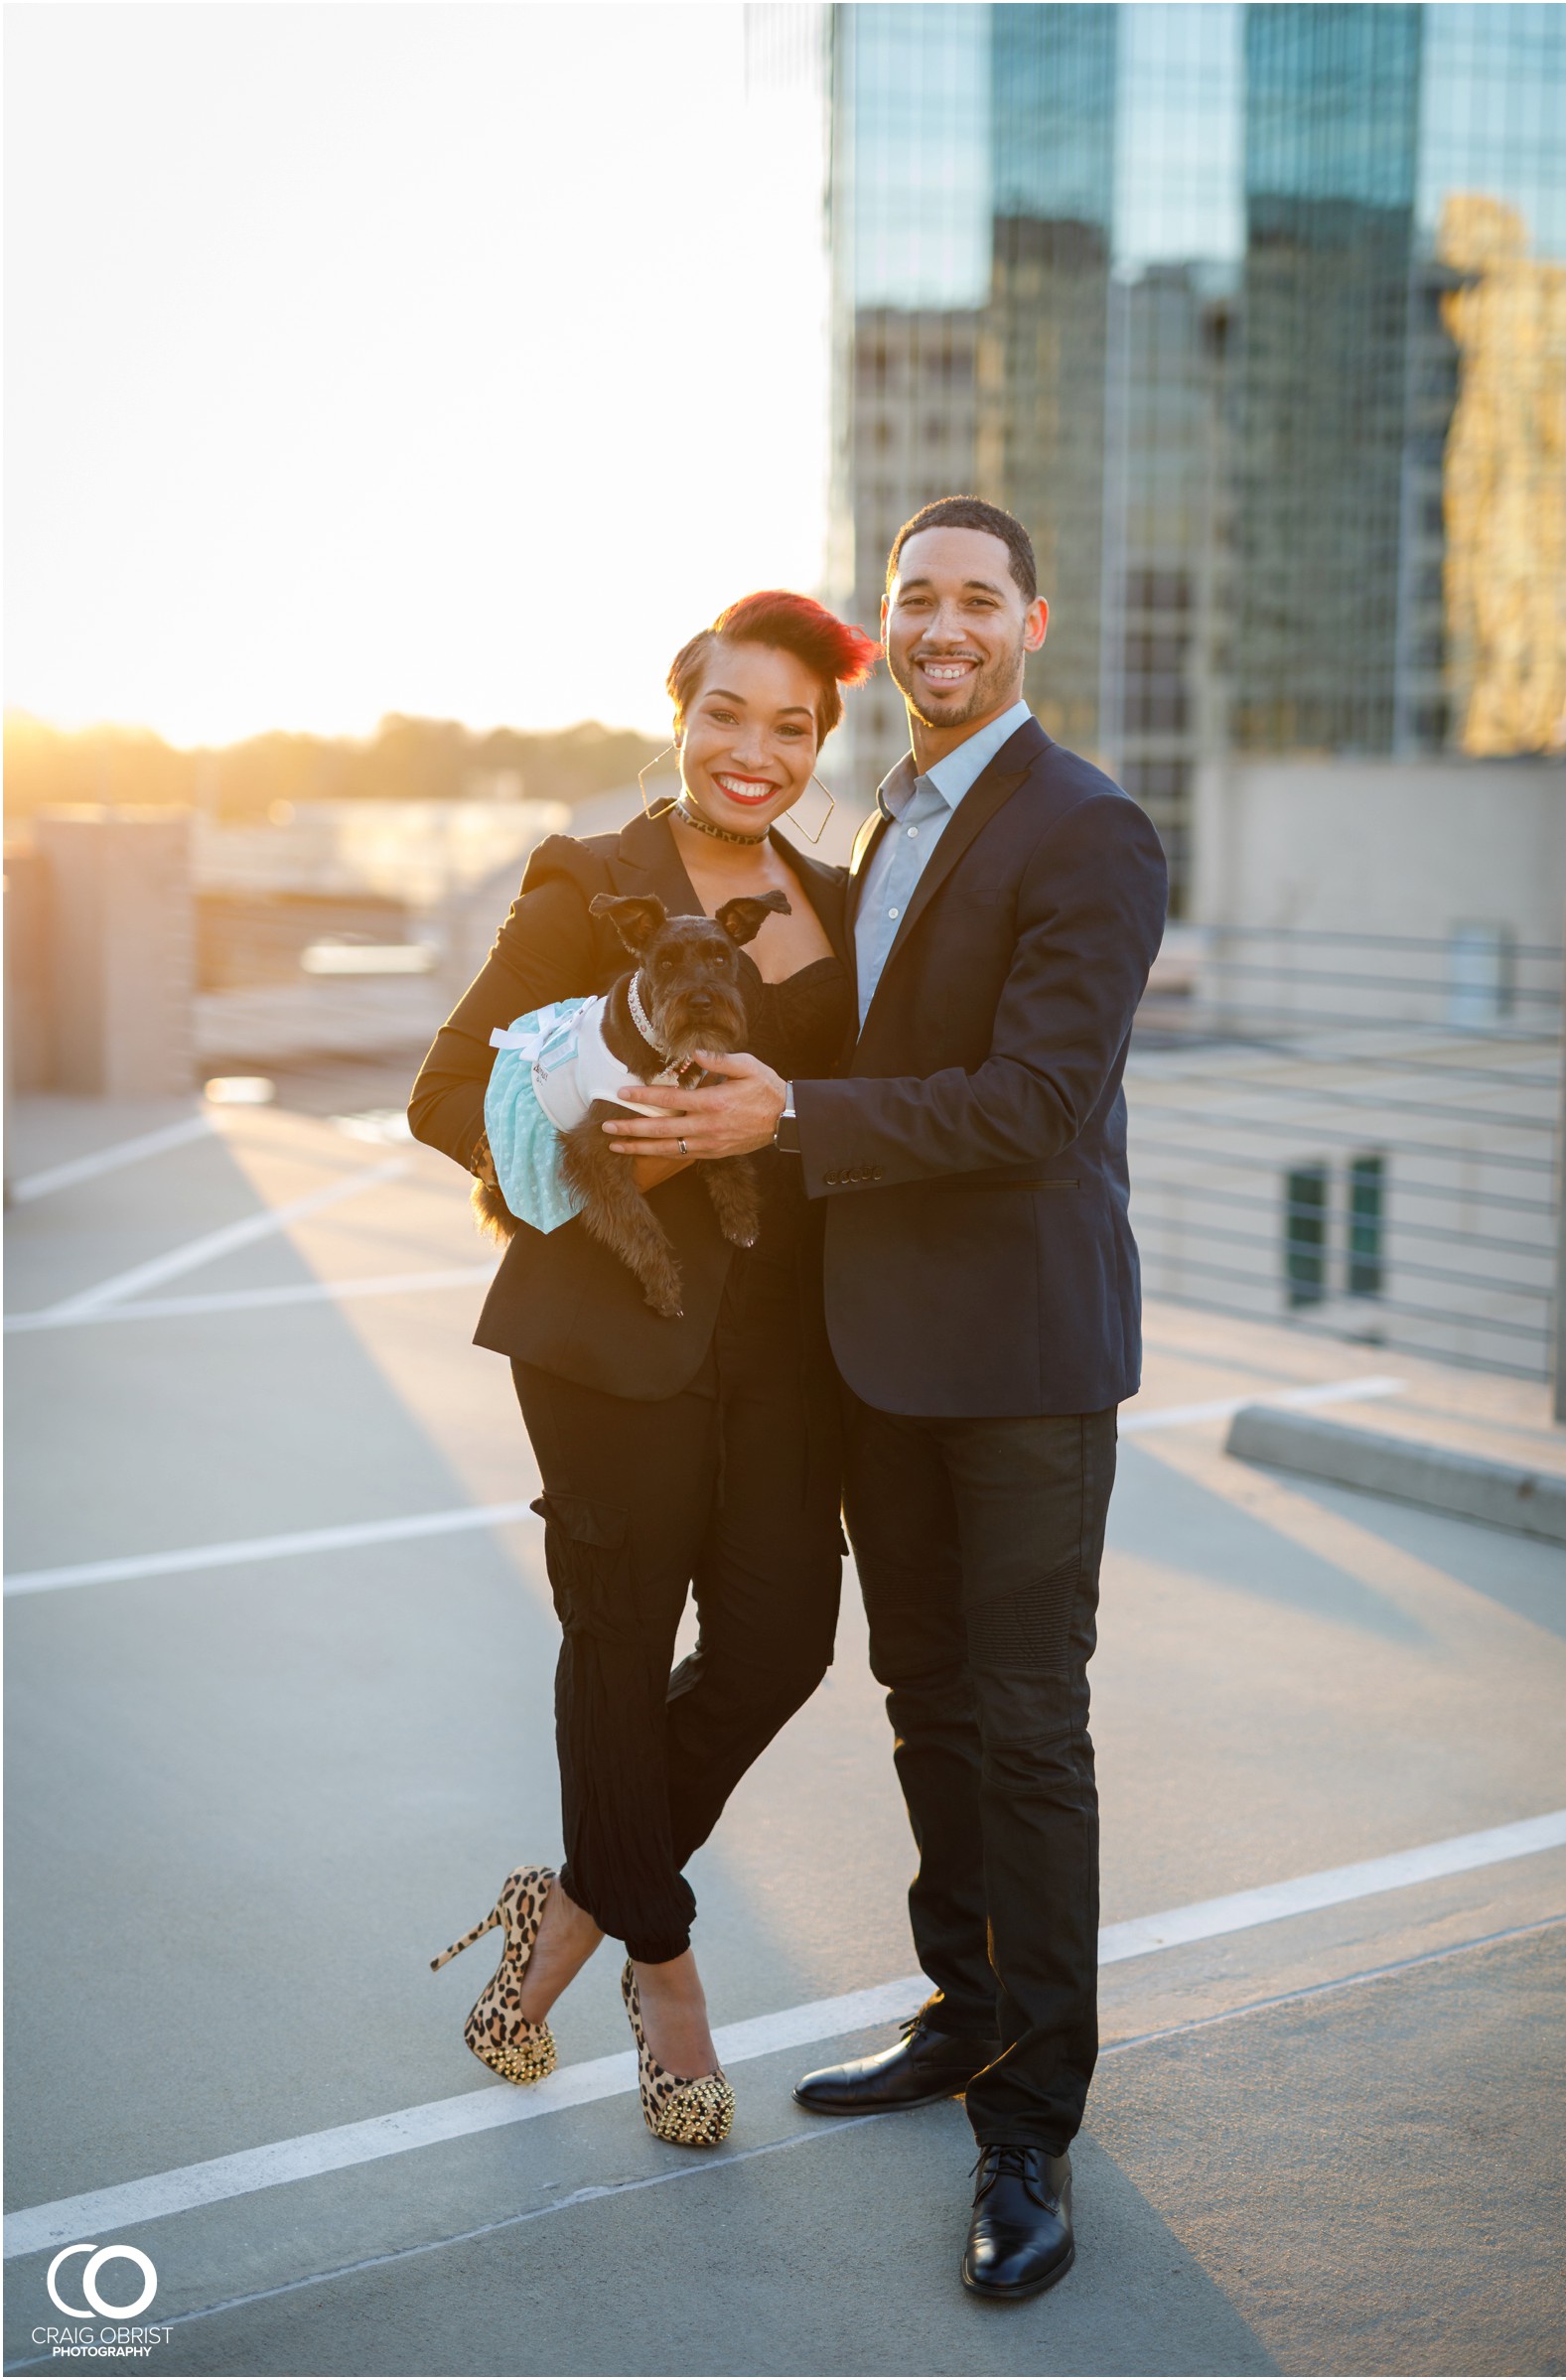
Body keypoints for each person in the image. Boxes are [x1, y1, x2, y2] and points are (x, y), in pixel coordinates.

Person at [603, 497, 1169, 2284]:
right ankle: (960, 2010)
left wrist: (795, 1116)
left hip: (1017, 1363)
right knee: (928, 1698)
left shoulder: (1089, 828)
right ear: (888, 622)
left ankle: (1030, 2132)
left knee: (1024, 1727)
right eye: (916, 597)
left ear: (1030, 623)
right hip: (884, 1362)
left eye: (976, 600)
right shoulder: (882, 827)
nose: (943, 625)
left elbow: (1035, 1101)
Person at [409, 591, 876, 2149]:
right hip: (611, 1339)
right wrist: (639, 1136)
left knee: (778, 1644)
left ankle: (575, 1900)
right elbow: (443, 1097)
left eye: (793, 726)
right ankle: (663, 1968)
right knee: (619, 1639)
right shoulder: (588, 883)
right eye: (729, 713)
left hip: (792, 1352)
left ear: (823, 744)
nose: (758, 750)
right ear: (678, 714)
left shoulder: (837, 892)